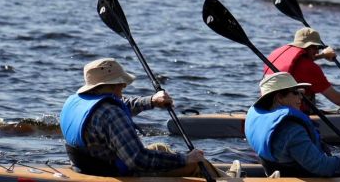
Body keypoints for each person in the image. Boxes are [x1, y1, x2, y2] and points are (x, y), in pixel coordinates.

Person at [60, 58, 224, 177]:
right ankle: (230, 179)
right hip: (114, 172)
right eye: (121, 83)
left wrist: (151, 101)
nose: (124, 86)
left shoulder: (77, 101)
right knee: (197, 164)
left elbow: (122, 105)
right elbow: (138, 160)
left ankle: (227, 176)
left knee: (160, 147)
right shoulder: (111, 114)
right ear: (114, 84)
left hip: (86, 166)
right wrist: (186, 159)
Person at [245, 72, 340, 177]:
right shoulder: (292, 130)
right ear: (279, 97)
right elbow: (321, 167)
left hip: (277, 173)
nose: (301, 97)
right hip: (301, 176)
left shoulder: (260, 118)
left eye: (301, 92)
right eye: (295, 92)